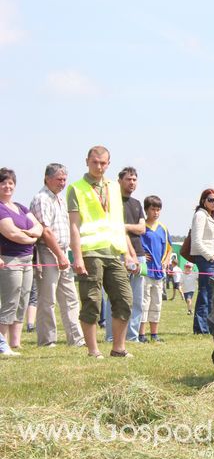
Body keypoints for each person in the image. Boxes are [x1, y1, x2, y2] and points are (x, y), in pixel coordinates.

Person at [67, 146, 135, 358]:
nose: (99, 166)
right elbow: (74, 226)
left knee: (125, 300)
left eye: (103, 163)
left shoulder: (114, 187)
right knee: (92, 302)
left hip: (114, 251)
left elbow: (119, 222)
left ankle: (119, 348)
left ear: (109, 163)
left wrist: (128, 252)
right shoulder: (75, 188)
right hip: (90, 252)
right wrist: (77, 256)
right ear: (87, 161)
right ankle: (93, 351)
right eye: (95, 162)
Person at [29, 163, 85, 347]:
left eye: (64, 179)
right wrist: (60, 255)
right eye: (59, 179)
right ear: (47, 178)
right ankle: (47, 340)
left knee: (70, 298)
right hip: (47, 252)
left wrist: (65, 254)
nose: (62, 183)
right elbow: (45, 231)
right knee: (48, 299)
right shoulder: (41, 198)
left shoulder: (60, 199)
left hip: (63, 251)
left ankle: (76, 339)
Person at [0, 167, 43, 351]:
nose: (7, 186)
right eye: (3, 183)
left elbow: (39, 226)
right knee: (10, 300)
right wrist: (31, 238)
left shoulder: (21, 207)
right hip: (10, 259)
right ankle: (2, 343)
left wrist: (32, 234)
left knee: (23, 300)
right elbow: (11, 233)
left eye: (10, 183)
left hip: (27, 259)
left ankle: (15, 342)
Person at [112, 167, 146, 343]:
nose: (131, 182)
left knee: (137, 300)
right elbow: (112, 226)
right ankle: (112, 337)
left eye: (134, 179)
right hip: (117, 254)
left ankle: (132, 337)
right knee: (116, 298)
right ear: (119, 181)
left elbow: (142, 229)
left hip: (138, 254)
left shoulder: (137, 204)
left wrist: (123, 226)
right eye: (128, 179)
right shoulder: (112, 202)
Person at [138, 195, 170, 343]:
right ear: (146, 210)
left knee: (157, 303)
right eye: (153, 209)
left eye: (158, 209)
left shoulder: (163, 228)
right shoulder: (141, 226)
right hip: (145, 271)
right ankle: (141, 334)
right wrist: (141, 254)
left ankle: (154, 334)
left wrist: (165, 261)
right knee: (144, 302)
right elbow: (133, 243)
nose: (156, 212)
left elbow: (168, 248)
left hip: (159, 272)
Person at [190, 188, 214, 334]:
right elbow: (196, 242)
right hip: (205, 258)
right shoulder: (200, 215)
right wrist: (210, 256)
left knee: (210, 294)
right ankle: (202, 328)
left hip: (212, 258)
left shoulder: (210, 216)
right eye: (211, 200)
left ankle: (204, 326)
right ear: (203, 201)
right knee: (205, 294)